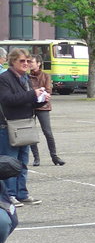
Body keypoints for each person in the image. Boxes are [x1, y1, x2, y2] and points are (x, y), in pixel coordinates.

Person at [0, 47, 49, 207]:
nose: (26, 63)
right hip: (9, 126)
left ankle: (22, 193)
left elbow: (29, 100)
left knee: (23, 162)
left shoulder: (25, 78)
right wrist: (32, 94)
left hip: (25, 125)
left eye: (28, 61)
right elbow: (7, 100)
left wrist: (41, 99)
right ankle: (10, 195)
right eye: (22, 61)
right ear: (12, 61)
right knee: (10, 162)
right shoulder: (4, 78)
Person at [28, 56, 65, 166]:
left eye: (32, 62)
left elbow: (48, 90)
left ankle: (54, 157)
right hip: (30, 106)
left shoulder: (45, 76)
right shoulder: (26, 77)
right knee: (31, 133)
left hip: (43, 106)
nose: (30, 64)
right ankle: (36, 158)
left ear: (38, 63)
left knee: (48, 132)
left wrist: (38, 94)